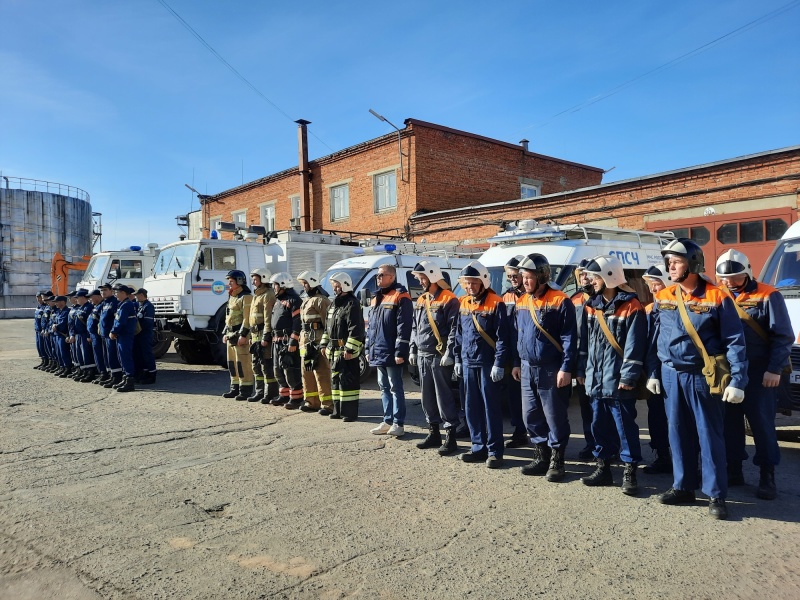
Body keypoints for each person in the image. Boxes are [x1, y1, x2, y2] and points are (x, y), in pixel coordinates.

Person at [652, 239, 748, 520]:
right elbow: (655, 336)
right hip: (671, 374)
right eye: (669, 261)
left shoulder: (718, 296)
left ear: (693, 263)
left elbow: (735, 341)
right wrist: (653, 372)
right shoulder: (665, 295)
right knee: (677, 432)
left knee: (709, 435)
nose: (670, 266)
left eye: (676, 261)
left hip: (702, 376)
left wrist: (738, 380)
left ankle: (716, 493)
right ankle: (683, 486)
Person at [716, 249, 793, 500]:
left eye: (735, 277)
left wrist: (774, 369)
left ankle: (766, 475)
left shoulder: (769, 295)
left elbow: (783, 336)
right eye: (724, 278)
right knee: (730, 423)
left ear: (747, 272)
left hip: (761, 370)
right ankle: (734, 469)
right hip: (729, 370)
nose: (728, 282)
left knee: (761, 424)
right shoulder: (718, 295)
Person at [577, 255, 647, 496]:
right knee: (599, 425)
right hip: (595, 380)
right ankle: (603, 467)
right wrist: (582, 371)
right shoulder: (590, 305)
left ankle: (630, 471)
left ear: (609, 277)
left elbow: (634, 347)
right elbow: (583, 343)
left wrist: (628, 378)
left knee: (625, 428)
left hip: (618, 382)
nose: (590, 280)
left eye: (595, 277)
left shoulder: (632, 306)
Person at [512, 253, 577, 482]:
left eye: (529, 277)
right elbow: (517, 335)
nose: (525, 281)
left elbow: (570, 337)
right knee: (530, 415)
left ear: (542, 276)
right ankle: (541, 455)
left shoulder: (560, 300)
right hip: (528, 367)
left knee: (554, 416)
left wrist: (566, 368)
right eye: (523, 277)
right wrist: (517, 363)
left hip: (551, 367)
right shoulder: (521, 301)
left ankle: (557, 460)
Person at [454, 261, 511, 468]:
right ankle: (478, 447)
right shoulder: (464, 303)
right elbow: (459, 335)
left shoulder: (497, 303)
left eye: (473, 283)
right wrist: (458, 359)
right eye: (466, 283)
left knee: (490, 408)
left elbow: (503, 337)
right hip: (469, 362)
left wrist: (499, 363)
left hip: (487, 363)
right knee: (471, 407)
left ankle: (495, 451)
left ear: (483, 282)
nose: (469, 287)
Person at [408, 260, 460, 455]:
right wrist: (412, 349)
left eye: (422, 278)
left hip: (439, 356)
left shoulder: (449, 299)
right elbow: (415, 327)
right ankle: (434, 432)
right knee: (427, 397)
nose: (420, 282)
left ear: (432, 276)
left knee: (443, 397)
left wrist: (450, 352)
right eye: (420, 278)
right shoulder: (422, 300)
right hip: (422, 354)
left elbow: (455, 328)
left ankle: (450, 436)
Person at [367, 264, 413, 437]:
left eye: (381, 275)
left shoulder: (401, 296)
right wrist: (367, 348)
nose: (378, 278)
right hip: (378, 350)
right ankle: (387, 420)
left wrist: (400, 352)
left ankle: (398, 423)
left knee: (395, 387)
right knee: (383, 387)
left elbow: (404, 326)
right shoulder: (376, 297)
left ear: (392, 277)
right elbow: (371, 327)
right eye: (377, 275)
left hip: (391, 351)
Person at [320, 272, 365, 421]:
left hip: (346, 351)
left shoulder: (352, 303)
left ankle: (349, 413)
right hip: (334, 351)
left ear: (345, 285)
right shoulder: (333, 304)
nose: (335, 288)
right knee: (335, 380)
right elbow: (328, 328)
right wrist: (324, 344)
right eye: (334, 285)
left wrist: (350, 349)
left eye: (337, 285)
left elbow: (356, 329)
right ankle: (337, 410)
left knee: (348, 382)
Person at [641, 265, 672, 475]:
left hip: (676, 372)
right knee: (657, 417)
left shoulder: (680, 307)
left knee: (684, 421)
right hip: (656, 372)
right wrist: (651, 373)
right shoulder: (649, 310)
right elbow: (647, 346)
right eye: (650, 284)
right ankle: (662, 456)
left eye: (657, 283)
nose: (653, 289)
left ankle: (690, 461)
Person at [501, 255, 529, 449]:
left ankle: (539, 436)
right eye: (509, 276)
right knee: (514, 397)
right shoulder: (507, 296)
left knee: (533, 398)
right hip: (512, 354)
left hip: (529, 353)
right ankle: (519, 431)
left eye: (515, 275)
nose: (512, 279)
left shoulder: (533, 294)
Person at [570, 260, 597, 460]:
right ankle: (591, 443)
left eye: (587, 274)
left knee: (604, 409)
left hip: (602, 364)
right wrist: (577, 368)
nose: (584, 278)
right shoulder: (575, 300)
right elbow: (572, 336)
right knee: (586, 408)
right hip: (583, 363)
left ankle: (608, 446)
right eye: (581, 275)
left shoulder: (606, 298)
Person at [296, 271, 333, 414]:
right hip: (305, 341)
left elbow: (328, 323)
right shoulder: (306, 300)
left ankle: (327, 404)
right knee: (306, 371)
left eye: (305, 283)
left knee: (321, 372)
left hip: (317, 340)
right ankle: (311, 402)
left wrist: (325, 342)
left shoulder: (322, 300)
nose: (304, 286)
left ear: (312, 283)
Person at [268, 272, 303, 408]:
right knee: (278, 369)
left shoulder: (294, 300)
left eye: (275, 285)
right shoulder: (278, 301)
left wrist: (293, 341)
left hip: (288, 342)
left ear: (283, 285)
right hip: (277, 342)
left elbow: (297, 322)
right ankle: (284, 395)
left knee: (290, 370)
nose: (273, 288)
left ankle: (296, 398)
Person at [221, 270, 254, 401]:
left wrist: (243, 335)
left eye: (231, 281)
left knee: (243, 363)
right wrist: (224, 332)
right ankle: (234, 388)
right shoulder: (232, 296)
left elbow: (247, 319)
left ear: (239, 281)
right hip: (230, 334)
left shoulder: (246, 297)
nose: (228, 284)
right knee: (232, 363)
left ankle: (245, 390)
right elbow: (228, 316)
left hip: (239, 335)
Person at [246, 267, 277, 403]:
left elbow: (268, 318)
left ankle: (269, 393)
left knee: (265, 365)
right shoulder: (257, 295)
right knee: (256, 365)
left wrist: (266, 336)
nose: (253, 282)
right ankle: (259, 392)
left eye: (255, 279)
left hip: (263, 336)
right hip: (255, 336)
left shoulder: (268, 295)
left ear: (263, 279)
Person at [109, 284, 138, 392]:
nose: (115, 294)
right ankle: (125, 378)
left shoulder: (126, 305)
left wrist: (114, 331)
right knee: (121, 357)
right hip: (122, 335)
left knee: (126, 357)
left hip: (125, 335)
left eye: (117, 292)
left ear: (123, 293)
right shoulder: (122, 304)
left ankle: (129, 381)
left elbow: (121, 321)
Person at [98, 283, 123, 388]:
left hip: (111, 334)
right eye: (101, 290)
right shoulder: (104, 303)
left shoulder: (114, 302)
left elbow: (116, 319)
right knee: (107, 357)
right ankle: (111, 375)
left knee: (113, 356)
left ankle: (117, 377)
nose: (103, 292)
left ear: (111, 291)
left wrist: (113, 331)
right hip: (104, 334)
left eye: (105, 290)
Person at [134, 288, 157, 385]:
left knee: (147, 354)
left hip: (145, 334)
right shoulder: (141, 306)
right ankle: (145, 372)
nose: (135, 297)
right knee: (142, 355)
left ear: (142, 295)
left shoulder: (148, 306)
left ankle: (152, 375)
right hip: (140, 335)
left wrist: (139, 328)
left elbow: (147, 322)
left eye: (137, 295)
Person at [72, 289, 96, 382]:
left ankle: (90, 372)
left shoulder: (88, 307)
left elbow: (89, 323)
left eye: (77, 298)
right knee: (80, 355)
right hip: (79, 334)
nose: (76, 300)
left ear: (82, 297)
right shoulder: (80, 308)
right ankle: (84, 371)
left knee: (87, 354)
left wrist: (89, 335)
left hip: (85, 334)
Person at [87, 289, 108, 383]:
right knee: (97, 355)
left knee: (101, 354)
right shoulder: (96, 306)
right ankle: (101, 373)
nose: (90, 299)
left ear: (98, 296)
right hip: (94, 335)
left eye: (91, 297)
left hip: (99, 335)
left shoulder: (102, 306)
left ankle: (104, 373)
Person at [51, 295, 72, 376]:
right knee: (59, 352)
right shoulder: (59, 311)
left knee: (64, 352)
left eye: (57, 302)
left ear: (62, 302)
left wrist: (56, 326)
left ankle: (67, 368)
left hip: (63, 335)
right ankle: (62, 367)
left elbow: (63, 324)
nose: (56, 304)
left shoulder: (66, 311)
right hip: (57, 335)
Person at [33, 291, 48, 370]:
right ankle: (43, 361)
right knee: (39, 347)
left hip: (42, 330)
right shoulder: (38, 307)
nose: (38, 299)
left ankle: (46, 362)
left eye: (39, 298)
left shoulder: (46, 307)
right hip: (37, 330)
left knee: (43, 346)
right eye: (37, 298)